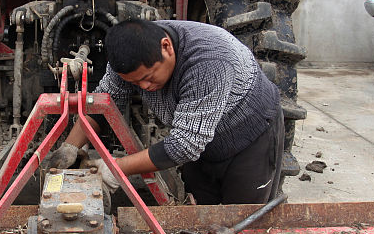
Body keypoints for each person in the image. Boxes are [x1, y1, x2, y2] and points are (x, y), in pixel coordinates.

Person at [54, 19, 283, 205]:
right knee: (200, 216)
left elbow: (185, 146)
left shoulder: (207, 61)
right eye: (135, 82)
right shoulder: (129, 58)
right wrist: (70, 147)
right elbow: (103, 104)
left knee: (243, 222)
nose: (143, 87)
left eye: (148, 77)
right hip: (202, 140)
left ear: (167, 46)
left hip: (248, 135)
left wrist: (114, 169)